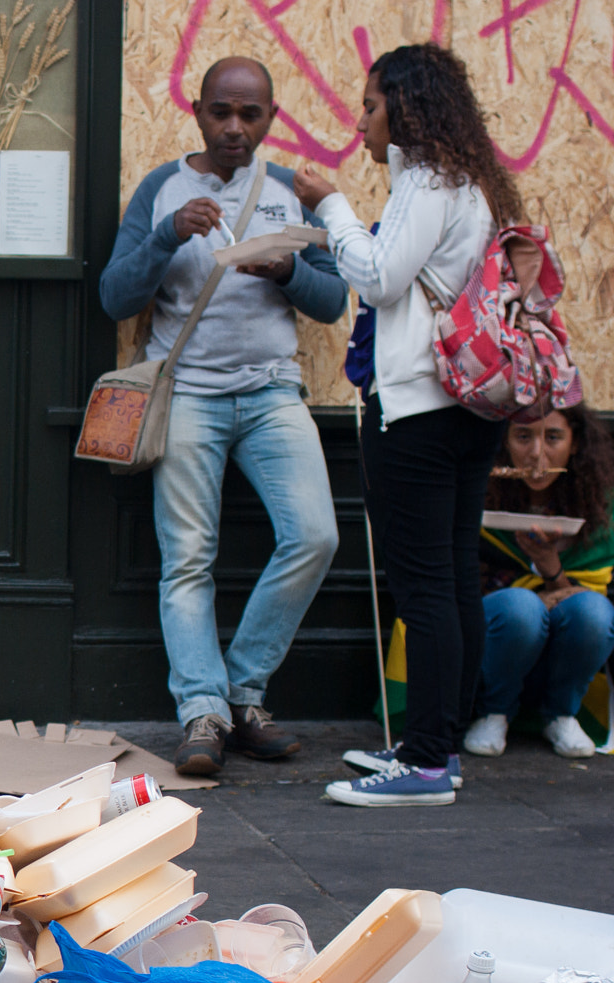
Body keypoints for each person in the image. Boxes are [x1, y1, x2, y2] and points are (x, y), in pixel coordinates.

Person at [99, 57, 346, 778]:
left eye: (251, 114)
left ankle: (241, 690)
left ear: (271, 116)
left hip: (272, 393)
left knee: (316, 535)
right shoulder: (161, 188)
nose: (235, 127)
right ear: (198, 110)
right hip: (188, 396)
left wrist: (286, 270)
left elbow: (333, 303)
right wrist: (168, 233)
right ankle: (202, 713)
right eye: (221, 112)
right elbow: (115, 296)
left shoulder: (288, 191)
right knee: (188, 559)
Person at [297, 44, 518, 806]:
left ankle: (426, 764)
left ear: (408, 107)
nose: (359, 121)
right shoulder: (466, 181)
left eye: (370, 105)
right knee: (452, 578)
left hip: (418, 410)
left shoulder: (426, 178)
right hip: (464, 409)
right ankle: (439, 743)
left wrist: (330, 208)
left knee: (424, 586)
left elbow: (381, 278)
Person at [459, 406, 614, 758]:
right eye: (523, 436)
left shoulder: (599, 510)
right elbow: (459, 587)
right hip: (489, 647)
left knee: (593, 610)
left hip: (561, 656)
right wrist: (533, 597)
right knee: (520, 607)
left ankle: (561, 714)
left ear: (575, 444)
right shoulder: (478, 496)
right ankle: (492, 713)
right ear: (506, 441)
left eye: (553, 437)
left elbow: (587, 600)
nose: (537, 453)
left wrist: (550, 569)